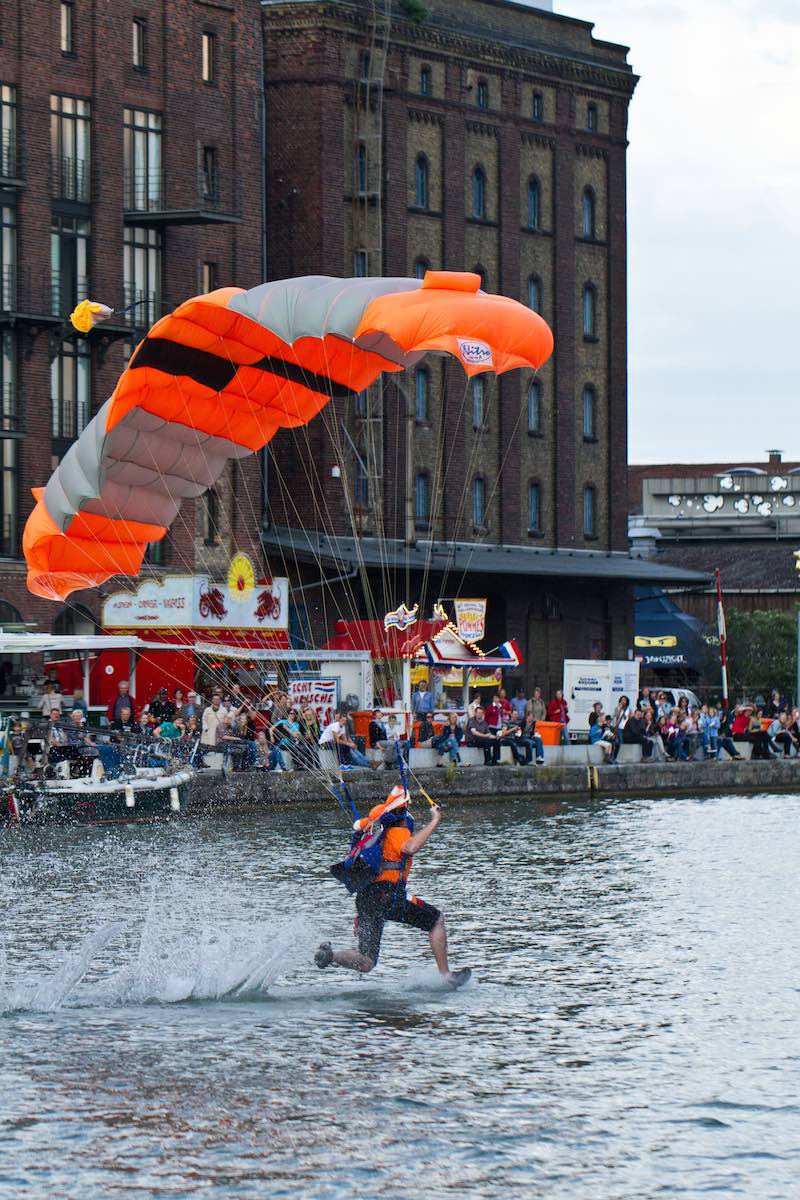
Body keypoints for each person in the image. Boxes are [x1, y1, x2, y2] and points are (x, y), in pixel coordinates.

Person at [314, 787, 469, 987]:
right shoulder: (398, 831)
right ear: (403, 815)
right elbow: (410, 848)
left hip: (366, 899)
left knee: (367, 961)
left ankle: (331, 955)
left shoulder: (379, 834)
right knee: (436, 920)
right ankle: (446, 975)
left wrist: (361, 914)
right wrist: (435, 821)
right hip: (386, 896)